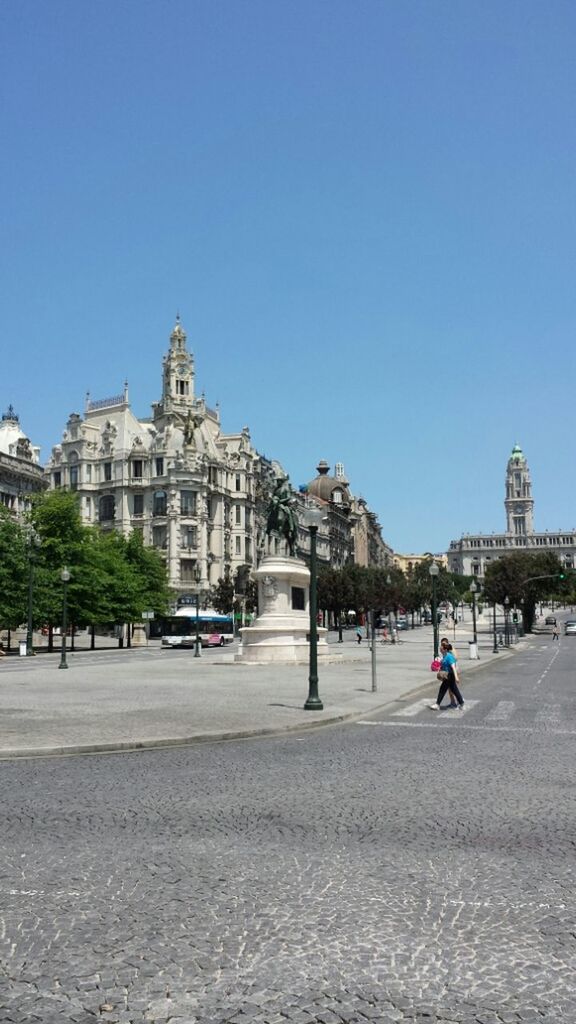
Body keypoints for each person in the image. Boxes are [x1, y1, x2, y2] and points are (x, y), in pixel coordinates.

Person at [429, 639, 464, 711]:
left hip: (450, 675)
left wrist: (456, 677)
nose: (440, 650)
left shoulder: (449, 656)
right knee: (454, 689)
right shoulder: (444, 656)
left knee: (443, 689)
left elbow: (453, 667)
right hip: (447, 675)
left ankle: (437, 704)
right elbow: (442, 666)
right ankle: (461, 703)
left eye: (441, 649)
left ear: (444, 650)